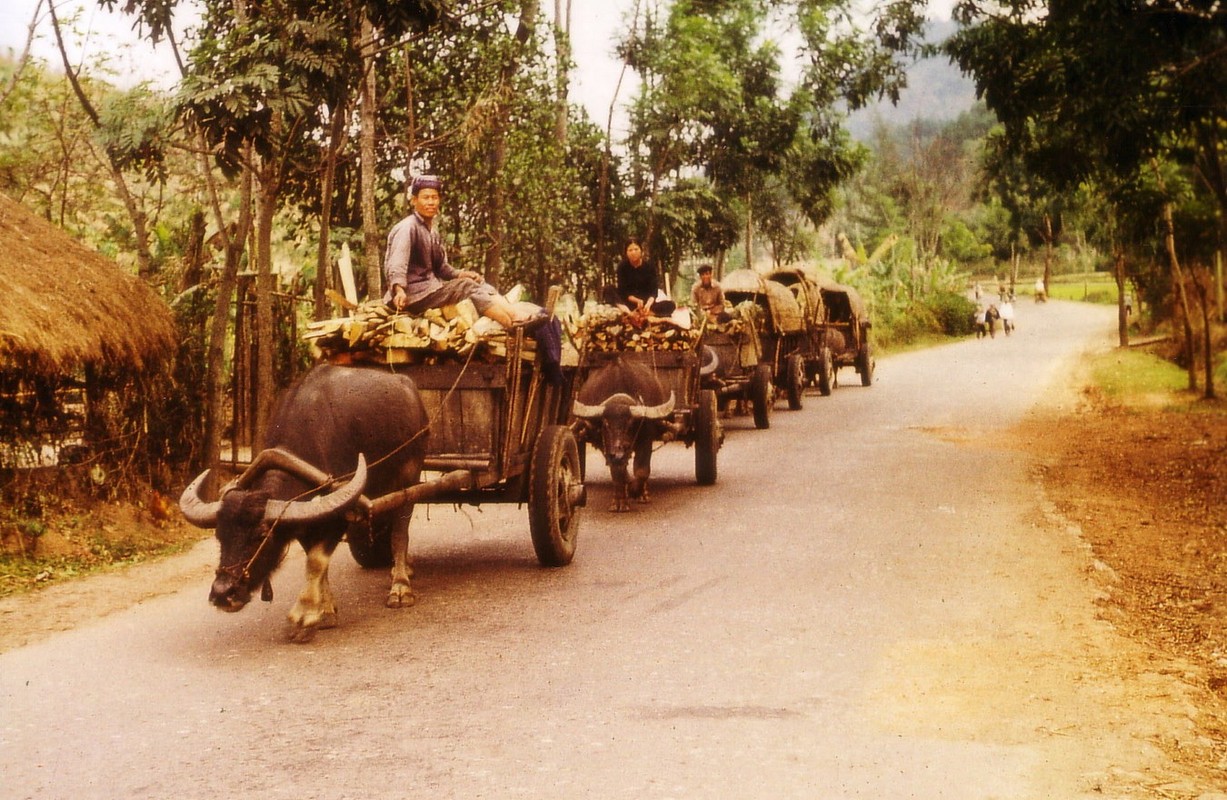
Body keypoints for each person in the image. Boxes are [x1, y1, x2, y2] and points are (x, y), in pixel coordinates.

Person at [383, 174, 543, 329]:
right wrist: (399, 290)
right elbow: (396, 263)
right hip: (412, 296)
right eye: (426, 198)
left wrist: (461, 274)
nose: (431, 202)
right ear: (414, 200)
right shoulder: (407, 227)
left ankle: (513, 313)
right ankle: (512, 323)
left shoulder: (432, 232)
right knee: (465, 287)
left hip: (430, 290)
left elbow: (441, 268)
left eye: (434, 197)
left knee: (476, 282)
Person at [606, 237, 676, 318]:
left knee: (670, 305)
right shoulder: (622, 267)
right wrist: (637, 300)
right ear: (626, 253)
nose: (633, 252)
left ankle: (647, 313)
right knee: (608, 289)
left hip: (646, 304)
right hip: (628, 303)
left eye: (636, 249)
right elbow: (623, 291)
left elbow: (653, 291)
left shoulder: (650, 267)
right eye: (630, 250)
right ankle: (629, 314)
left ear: (641, 251)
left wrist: (648, 304)